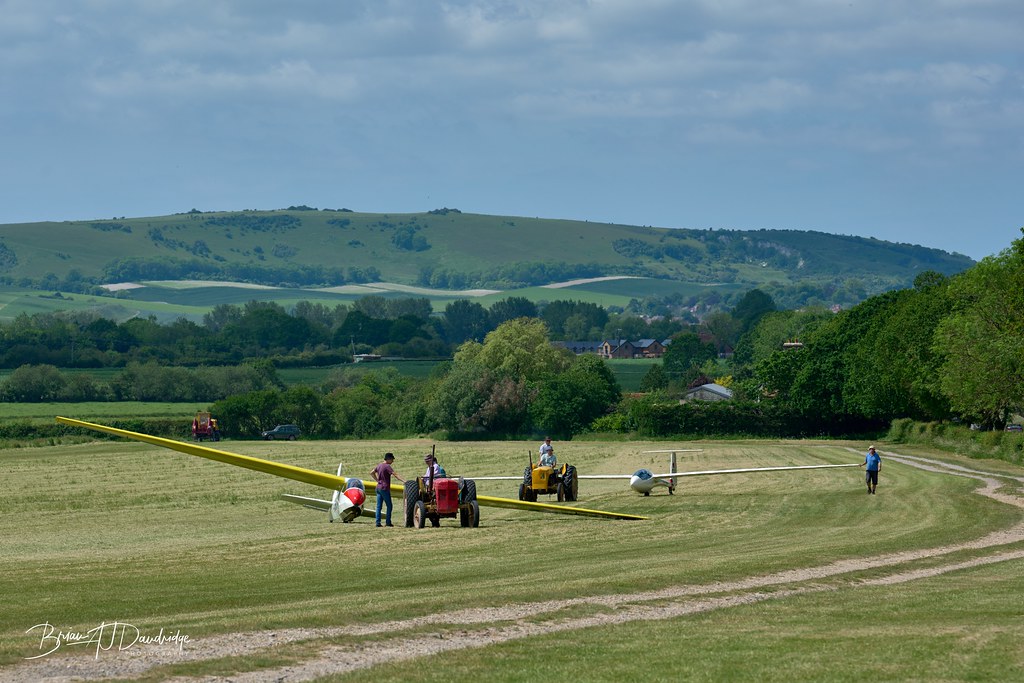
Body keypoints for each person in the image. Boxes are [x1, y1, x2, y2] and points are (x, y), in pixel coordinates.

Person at [370, 453, 403, 527]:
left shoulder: (379, 465)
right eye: (392, 459)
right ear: (388, 459)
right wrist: (404, 481)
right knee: (389, 506)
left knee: (379, 506)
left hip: (378, 487)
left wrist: (377, 480)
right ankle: (388, 522)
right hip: (384, 488)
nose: (392, 461)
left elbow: (371, 473)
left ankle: (378, 522)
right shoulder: (387, 466)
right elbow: (395, 474)